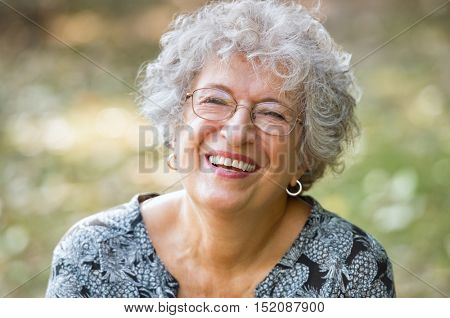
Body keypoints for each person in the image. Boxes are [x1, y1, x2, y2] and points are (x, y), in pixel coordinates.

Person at [46, 0, 395, 298]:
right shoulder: (91, 256)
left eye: (272, 113)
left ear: (304, 153)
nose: (237, 130)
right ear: (176, 121)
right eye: (214, 100)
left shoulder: (351, 271)